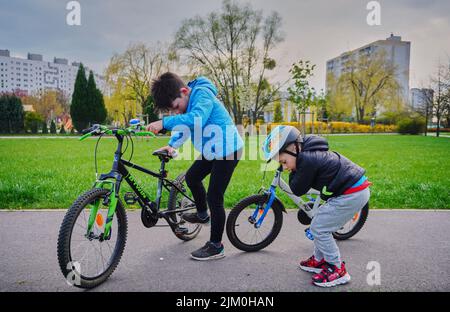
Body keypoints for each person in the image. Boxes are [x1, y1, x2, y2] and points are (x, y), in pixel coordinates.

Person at [146, 72, 243, 261]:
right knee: (192, 178)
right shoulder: (188, 103)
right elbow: (186, 127)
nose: (176, 113)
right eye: (172, 112)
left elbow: (195, 119)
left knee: (215, 196)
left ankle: (216, 246)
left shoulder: (202, 95)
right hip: (212, 149)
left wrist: (164, 122)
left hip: (229, 149)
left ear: (184, 91)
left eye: (175, 107)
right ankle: (201, 214)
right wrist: (172, 145)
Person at [262, 126, 371, 287]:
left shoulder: (307, 160)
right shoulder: (307, 154)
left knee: (319, 227)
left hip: (351, 193)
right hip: (350, 189)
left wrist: (294, 171)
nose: (284, 167)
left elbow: (297, 189)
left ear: (294, 148)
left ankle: (337, 268)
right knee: (318, 225)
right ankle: (320, 261)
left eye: (284, 162)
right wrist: (293, 166)